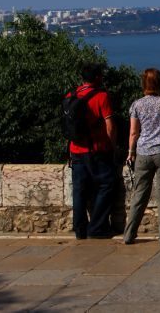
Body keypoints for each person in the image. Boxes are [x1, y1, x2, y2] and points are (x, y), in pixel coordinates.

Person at [123, 68, 160, 246]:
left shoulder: (137, 105)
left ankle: (129, 234)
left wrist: (131, 152)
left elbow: (134, 132)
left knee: (139, 194)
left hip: (143, 153)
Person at [67, 62, 119, 240]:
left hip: (75, 149)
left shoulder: (71, 95)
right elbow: (110, 126)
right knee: (107, 184)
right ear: (98, 77)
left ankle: (79, 229)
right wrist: (114, 147)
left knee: (79, 190)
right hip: (97, 149)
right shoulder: (102, 96)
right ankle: (97, 227)